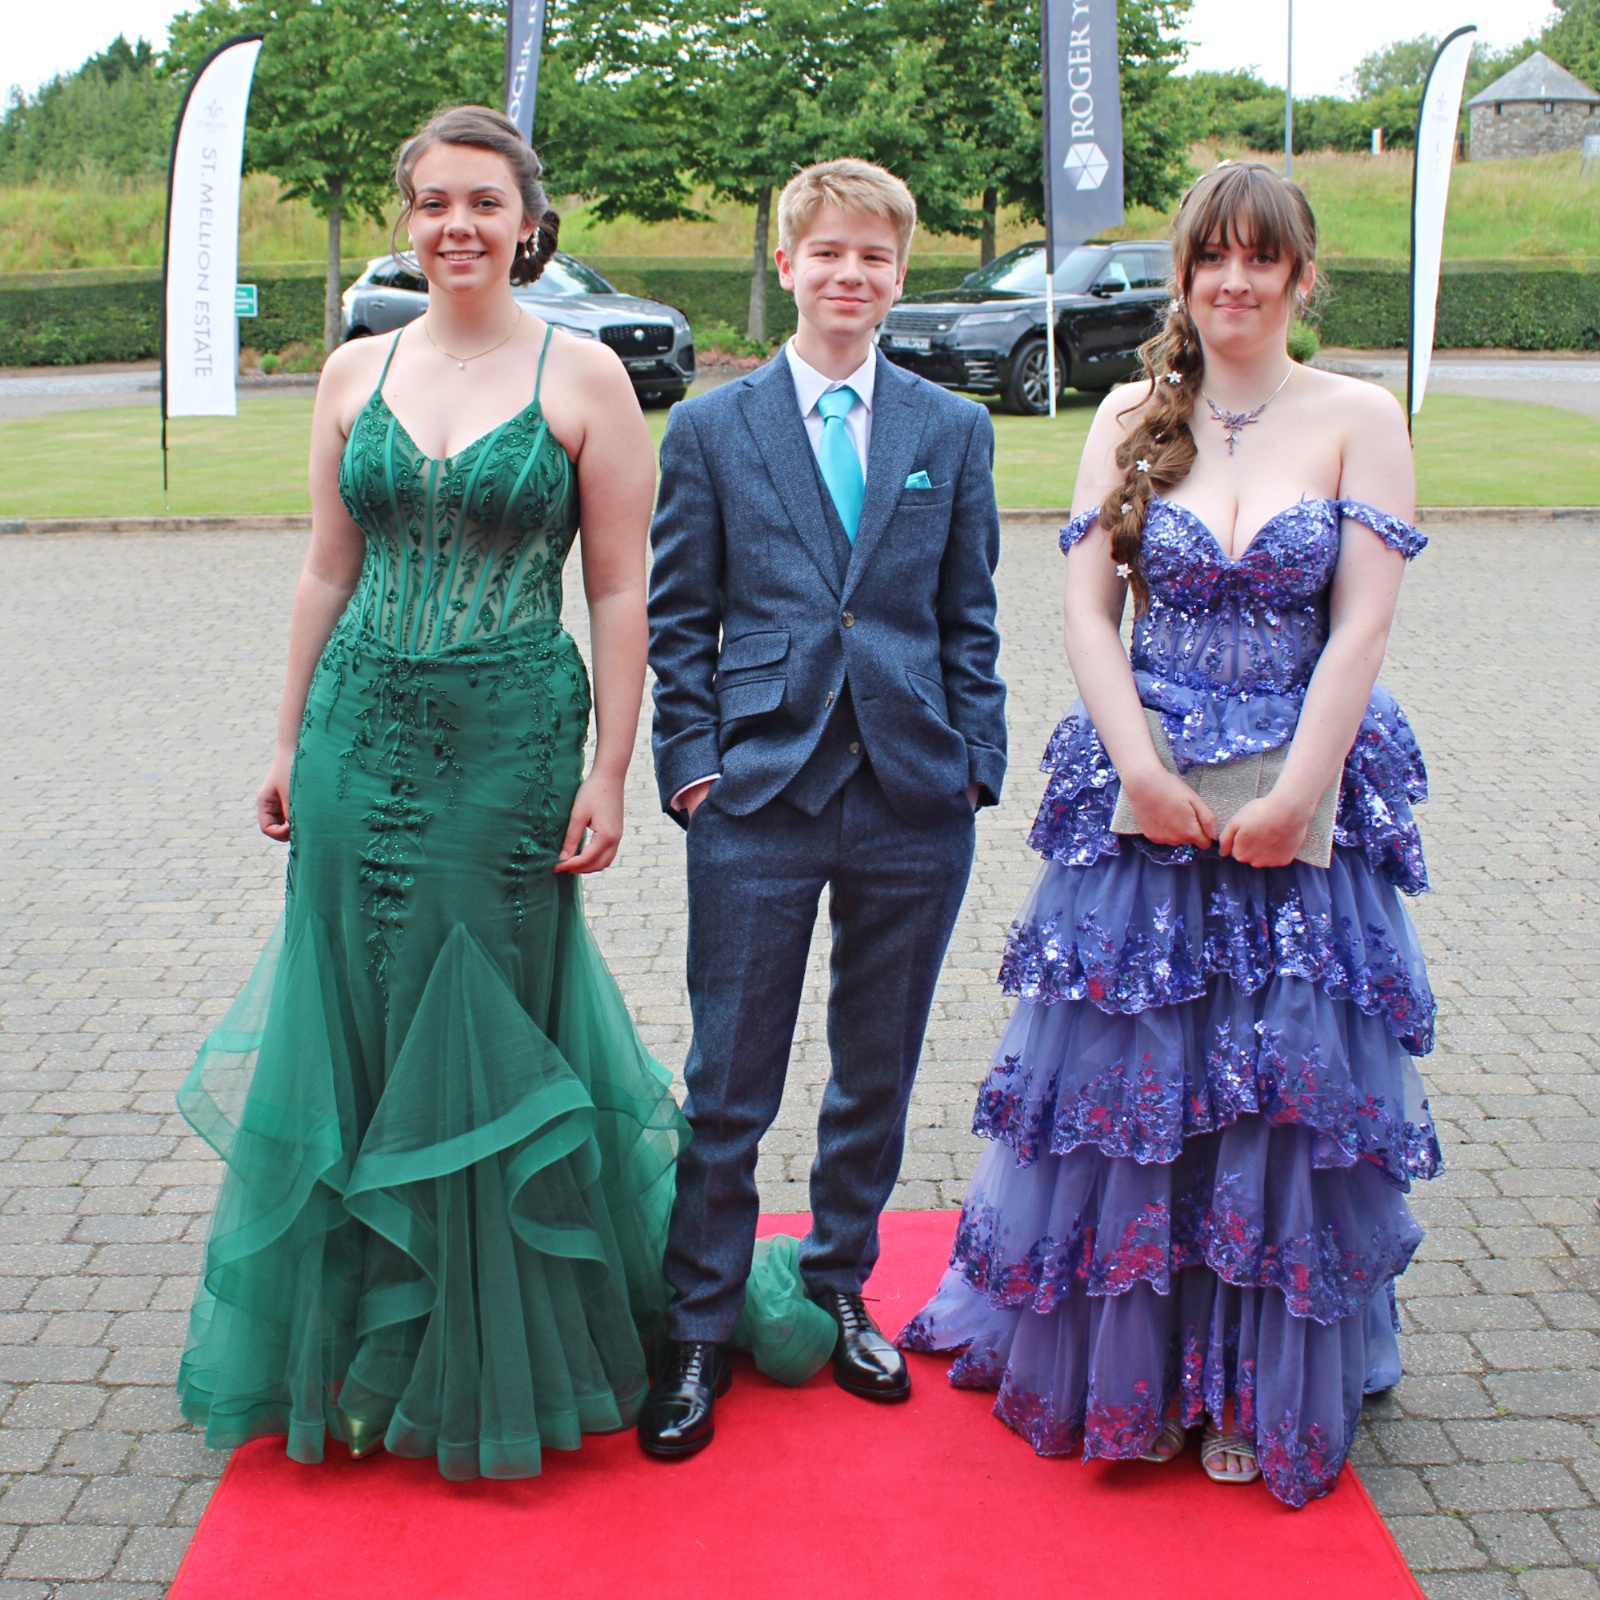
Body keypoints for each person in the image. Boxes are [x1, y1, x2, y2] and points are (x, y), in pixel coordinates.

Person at [174, 105, 822, 1482]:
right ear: (408, 219)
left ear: (530, 222)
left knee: (474, 1012)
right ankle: (361, 1355)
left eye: (483, 201)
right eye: (433, 202)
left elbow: (620, 590)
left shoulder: (584, 376)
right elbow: (328, 567)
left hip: (510, 740)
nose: (456, 225)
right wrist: (285, 740)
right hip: (356, 730)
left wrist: (611, 770)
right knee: (352, 1006)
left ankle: (479, 1354)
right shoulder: (353, 370)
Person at [898, 162, 1440, 1508]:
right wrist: (1138, 770)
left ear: (1302, 275)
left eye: (1262, 259)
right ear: (1184, 275)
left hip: (1297, 798)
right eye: (1212, 258)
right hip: (1149, 802)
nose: (1235, 282)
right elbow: (1090, 615)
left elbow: (1362, 627)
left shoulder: (1359, 417)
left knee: (1273, 1097)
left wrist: (1301, 791)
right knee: (1137, 1089)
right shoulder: (1131, 415)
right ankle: (1139, 1378)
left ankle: (1249, 1385)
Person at [640, 158, 1008, 1457]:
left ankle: (841, 1280)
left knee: (875, 1068)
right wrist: (692, 767)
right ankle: (699, 1322)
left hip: (915, 793)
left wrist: (977, 761)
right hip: (759, 790)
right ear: (789, 264)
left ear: (901, 277)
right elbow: (679, 618)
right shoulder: (712, 430)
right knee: (729, 1075)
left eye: (877, 257)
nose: (853, 274)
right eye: (831, 252)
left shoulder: (950, 431)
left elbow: (969, 616)